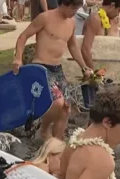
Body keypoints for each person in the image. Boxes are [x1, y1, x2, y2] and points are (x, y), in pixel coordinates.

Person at [13, 0, 91, 140]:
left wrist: (84, 67)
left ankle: (57, 142)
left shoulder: (71, 22)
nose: (75, 12)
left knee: (66, 108)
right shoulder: (45, 18)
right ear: (65, 4)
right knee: (57, 103)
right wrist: (18, 58)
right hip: (41, 67)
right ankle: (44, 129)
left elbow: (73, 46)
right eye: (74, 8)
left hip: (57, 68)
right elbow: (23, 36)